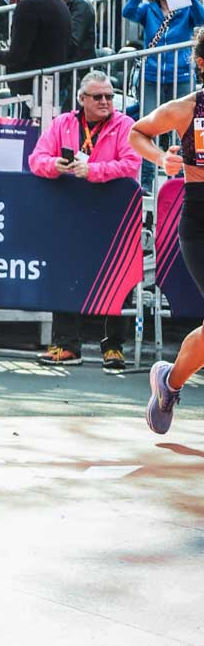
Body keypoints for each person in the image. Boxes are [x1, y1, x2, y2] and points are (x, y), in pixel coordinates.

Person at [29, 71, 141, 369]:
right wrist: (56, 165)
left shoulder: (125, 124)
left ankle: (113, 348)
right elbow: (36, 160)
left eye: (109, 96)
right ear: (82, 99)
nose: (106, 101)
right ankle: (67, 346)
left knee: (117, 278)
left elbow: (131, 165)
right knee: (64, 274)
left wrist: (94, 171)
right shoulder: (63, 123)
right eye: (98, 97)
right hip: (70, 214)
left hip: (112, 214)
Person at [129, 28, 204, 432]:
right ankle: (170, 382)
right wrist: (162, 158)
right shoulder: (185, 110)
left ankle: (168, 379)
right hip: (201, 219)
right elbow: (136, 132)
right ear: (202, 65)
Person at [123, 0, 204, 187]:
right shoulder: (149, 9)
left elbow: (202, 18)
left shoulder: (185, 7)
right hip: (152, 74)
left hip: (181, 74)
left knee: (186, 129)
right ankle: (147, 181)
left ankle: (181, 177)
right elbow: (128, 12)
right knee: (149, 126)